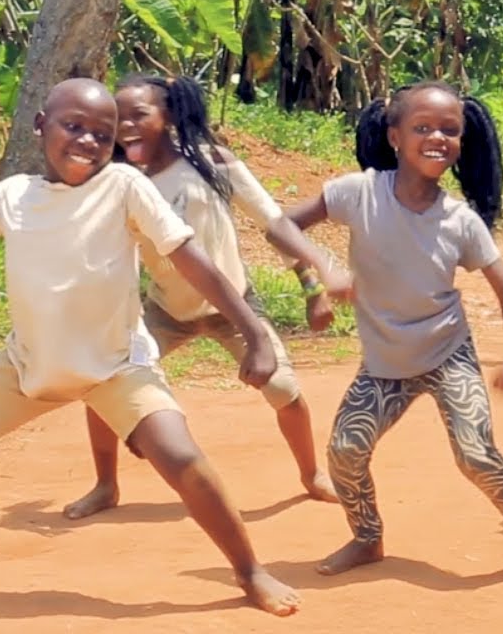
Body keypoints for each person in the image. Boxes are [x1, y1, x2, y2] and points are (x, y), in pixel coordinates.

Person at [0, 78, 300, 616]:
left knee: (182, 458)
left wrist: (252, 333)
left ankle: (251, 572)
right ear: (40, 125)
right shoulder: (15, 196)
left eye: (102, 135)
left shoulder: (124, 186)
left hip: (116, 368)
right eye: (73, 126)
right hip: (27, 365)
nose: (87, 140)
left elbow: (189, 257)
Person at [266, 80, 503, 582]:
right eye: (422, 127)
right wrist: (318, 276)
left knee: (476, 456)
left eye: (450, 131)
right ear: (394, 136)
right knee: (345, 451)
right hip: (386, 364)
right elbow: (281, 226)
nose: (438, 138)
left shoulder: (460, 220)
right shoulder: (359, 193)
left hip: (447, 354)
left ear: (461, 142)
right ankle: (367, 538)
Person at [62, 74, 348, 521]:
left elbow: (275, 225)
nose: (128, 127)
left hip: (231, 307)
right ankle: (105, 484)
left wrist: (313, 288)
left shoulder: (213, 164)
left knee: (284, 391)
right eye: (121, 119)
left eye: (140, 115)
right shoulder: (119, 183)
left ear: (170, 115)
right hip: (164, 310)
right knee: (103, 385)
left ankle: (311, 474)